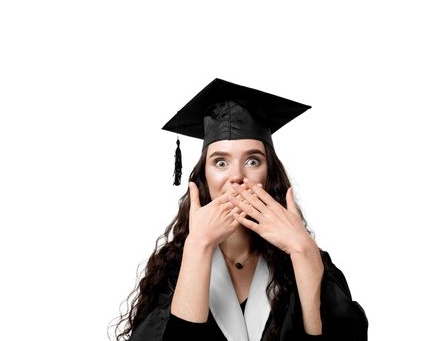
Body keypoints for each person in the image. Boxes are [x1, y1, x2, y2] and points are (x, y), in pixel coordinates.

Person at [113, 78, 368, 341]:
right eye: (220, 162)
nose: (236, 176)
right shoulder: (173, 268)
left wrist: (303, 252)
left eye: (252, 160)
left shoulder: (306, 257)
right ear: (204, 178)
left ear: (269, 175)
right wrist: (198, 245)